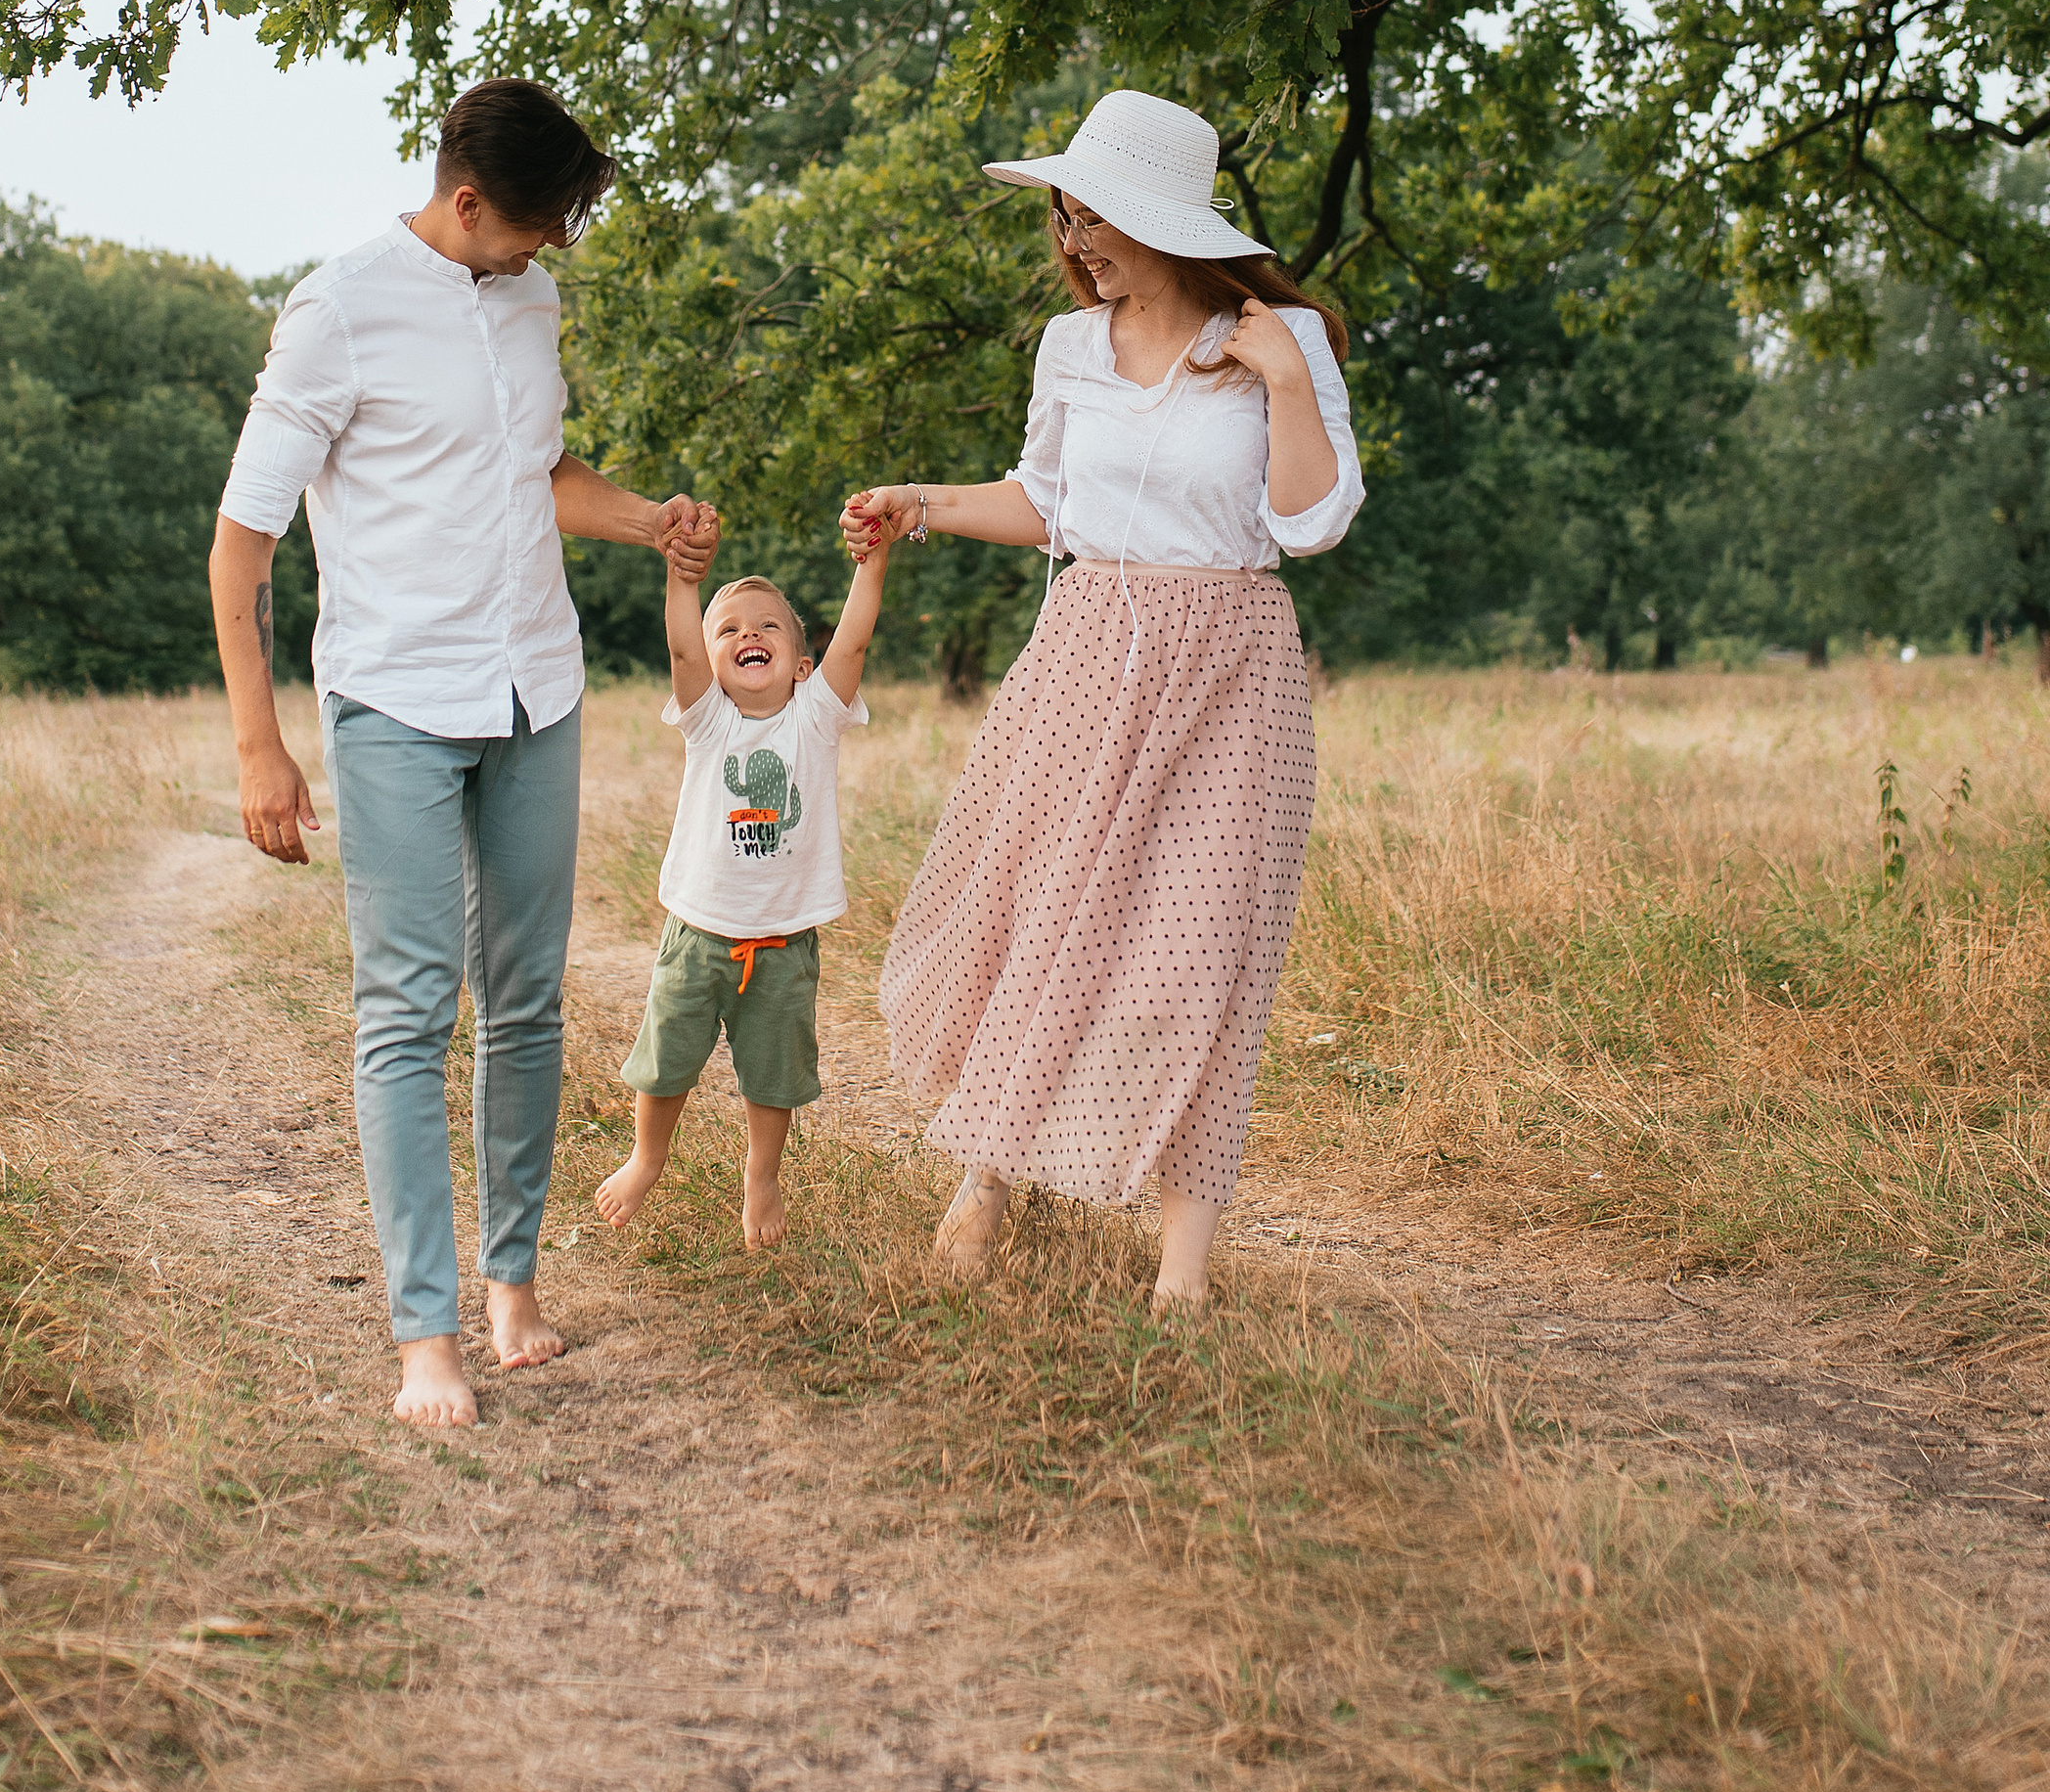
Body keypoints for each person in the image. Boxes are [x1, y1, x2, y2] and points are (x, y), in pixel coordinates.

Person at [207, 78, 719, 1431]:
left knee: (529, 1002)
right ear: (469, 197)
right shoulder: (338, 309)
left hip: (534, 688)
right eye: (540, 224)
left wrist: (651, 523)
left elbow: (536, 475)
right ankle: (422, 1331)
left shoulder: (532, 302)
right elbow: (242, 544)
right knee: (408, 1010)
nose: (552, 249)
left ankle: (510, 1284)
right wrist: (262, 747)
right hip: (393, 701)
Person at [840, 87, 1361, 1313]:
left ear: (1163, 221)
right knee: (1049, 923)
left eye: (1093, 220)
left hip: (1229, 665)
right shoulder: (1070, 347)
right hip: (1086, 654)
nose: (1074, 244)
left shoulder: (1277, 345)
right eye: (1066, 219)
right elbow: (1043, 504)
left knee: (1202, 957)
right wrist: (918, 500)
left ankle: (1183, 1267)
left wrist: (1284, 375)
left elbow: (1312, 521)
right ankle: (992, 1176)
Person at [594, 538, 888, 1253]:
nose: (748, 635)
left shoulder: (815, 719)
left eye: (767, 626)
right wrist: (681, 576)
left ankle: (762, 1174)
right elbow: (683, 653)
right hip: (699, 931)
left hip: (785, 941)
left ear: (802, 665)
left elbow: (852, 644)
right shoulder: (710, 719)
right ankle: (648, 1157)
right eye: (728, 629)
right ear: (712, 664)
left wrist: (871, 564)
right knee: (665, 1064)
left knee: (774, 1075)